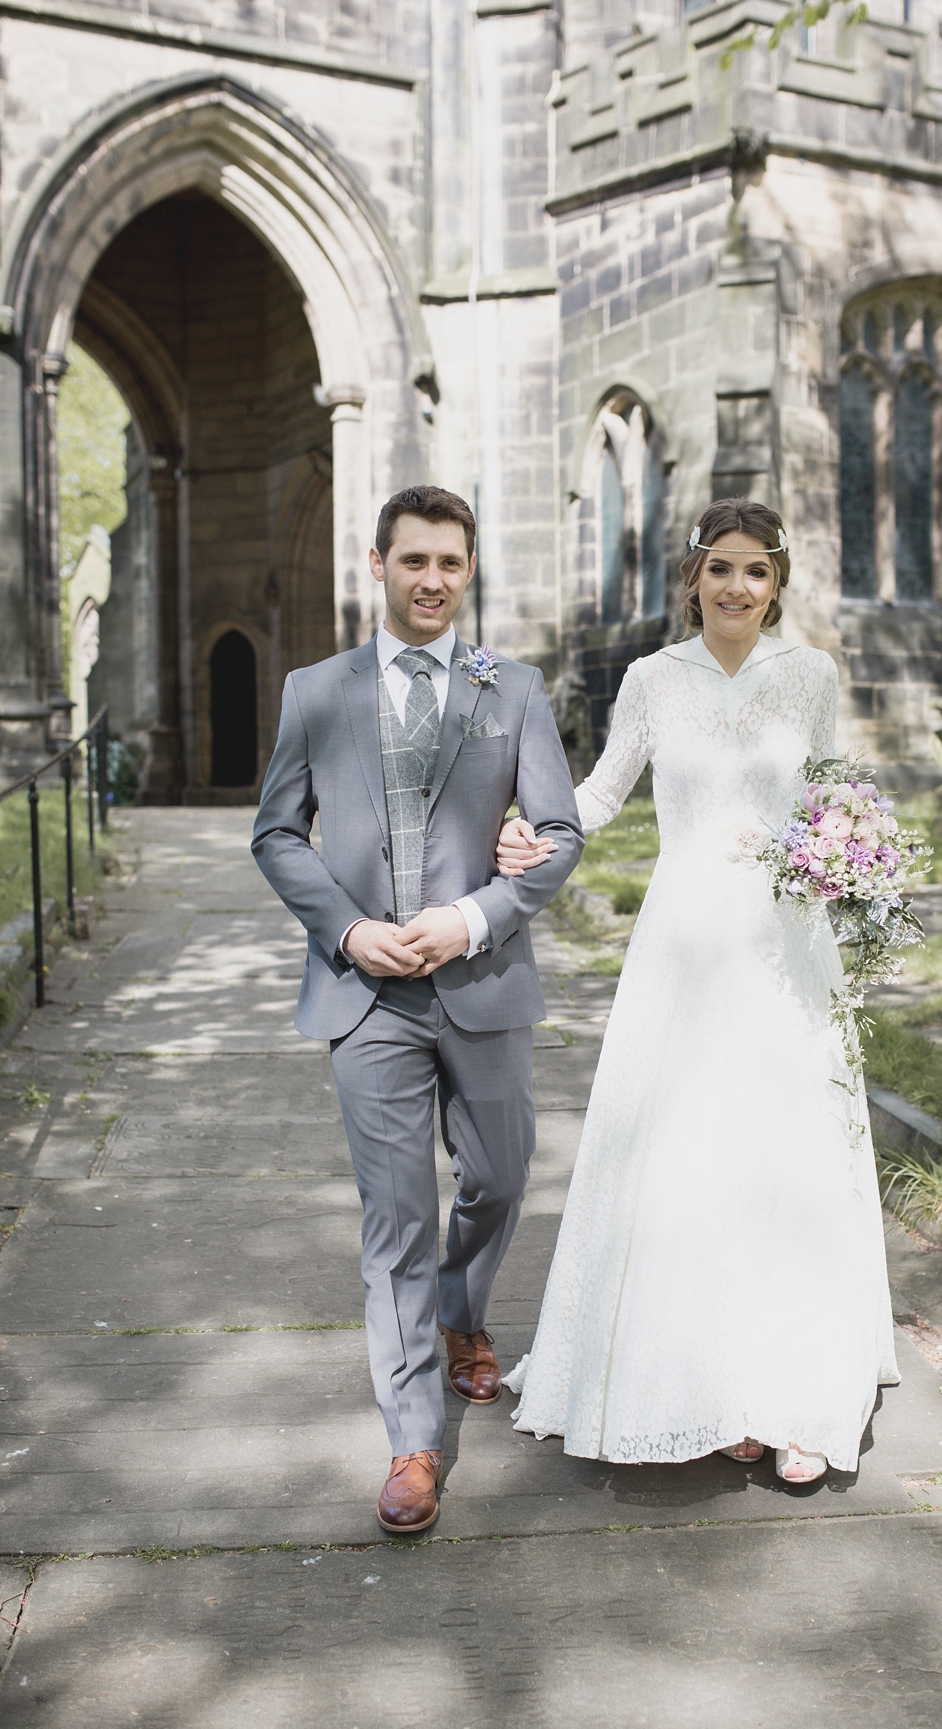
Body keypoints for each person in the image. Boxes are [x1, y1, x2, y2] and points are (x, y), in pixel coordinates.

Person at [496, 497, 899, 1483]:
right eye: (719, 568)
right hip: (681, 946)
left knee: (786, 1158)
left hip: (784, 944)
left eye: (755, 571)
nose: (736, 587)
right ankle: (707, 1388)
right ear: (693, 578)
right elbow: (599, 793)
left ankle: (797, 1390)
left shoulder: (809, 677)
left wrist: (858, 851)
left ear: (778, 583)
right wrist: (532, 830)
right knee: (689, 1153)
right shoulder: (651, 678)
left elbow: (827, 797)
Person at [252, 485, 583, 1536]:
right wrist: (348, 932)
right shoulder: (316, 691)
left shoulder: (513, 688)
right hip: (365, 996)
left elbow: (561, 833)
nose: (432, 579)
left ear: (468, 570)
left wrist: (478, 916)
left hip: (481, 983)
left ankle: (463, 1315)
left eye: (451, 562)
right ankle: (412, 1440)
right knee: (396, 1218)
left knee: (497, 1177)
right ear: (377, 563)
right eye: (414, 561)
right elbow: (275, 835)